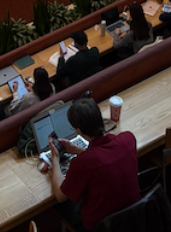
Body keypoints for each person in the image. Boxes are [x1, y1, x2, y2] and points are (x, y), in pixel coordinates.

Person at [49, 97, 139, 232]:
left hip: (101, 227)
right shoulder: (128, 139)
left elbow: (60, 196)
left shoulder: (82, 163)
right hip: (133, 217)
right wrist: (77, 150)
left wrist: (55, 160)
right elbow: (104, 157)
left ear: (79, 131)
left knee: (58, 205)